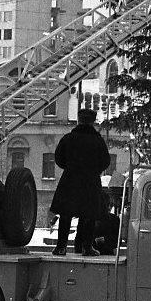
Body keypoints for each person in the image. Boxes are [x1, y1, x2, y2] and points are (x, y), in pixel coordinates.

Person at [49, 109, 111, 256]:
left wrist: (71, 168)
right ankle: (87, 247)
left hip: (70, 179)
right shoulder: (98, 141)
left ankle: (61, 247)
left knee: (65, 214)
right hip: (90, 182)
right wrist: (93, 171)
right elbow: (105, 162)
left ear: (79, 120)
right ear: (92, 122)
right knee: (88, 215)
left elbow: (58, 158)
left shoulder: (68, 138)